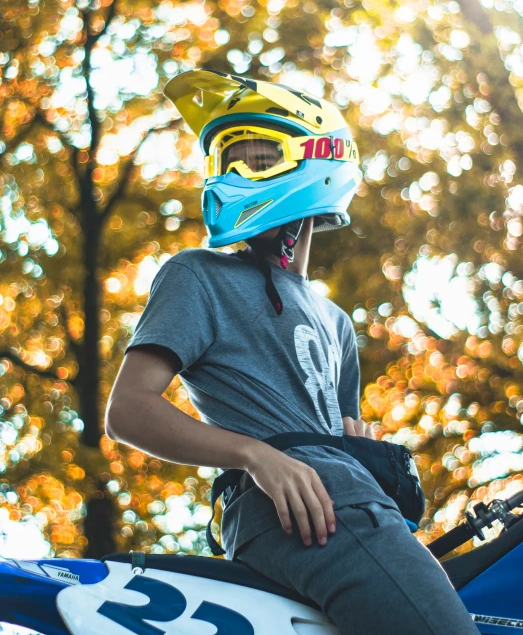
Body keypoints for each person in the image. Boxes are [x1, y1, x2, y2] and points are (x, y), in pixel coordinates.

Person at [105, 69, 479, 635]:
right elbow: (127, 409)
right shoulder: (197, 275)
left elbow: (342, 433)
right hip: (298, 510)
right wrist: (256, 455)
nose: (232, 175)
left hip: (351, 506)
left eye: (255, 159)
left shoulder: (337, 322)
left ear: (319, 159)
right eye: (225, 161)